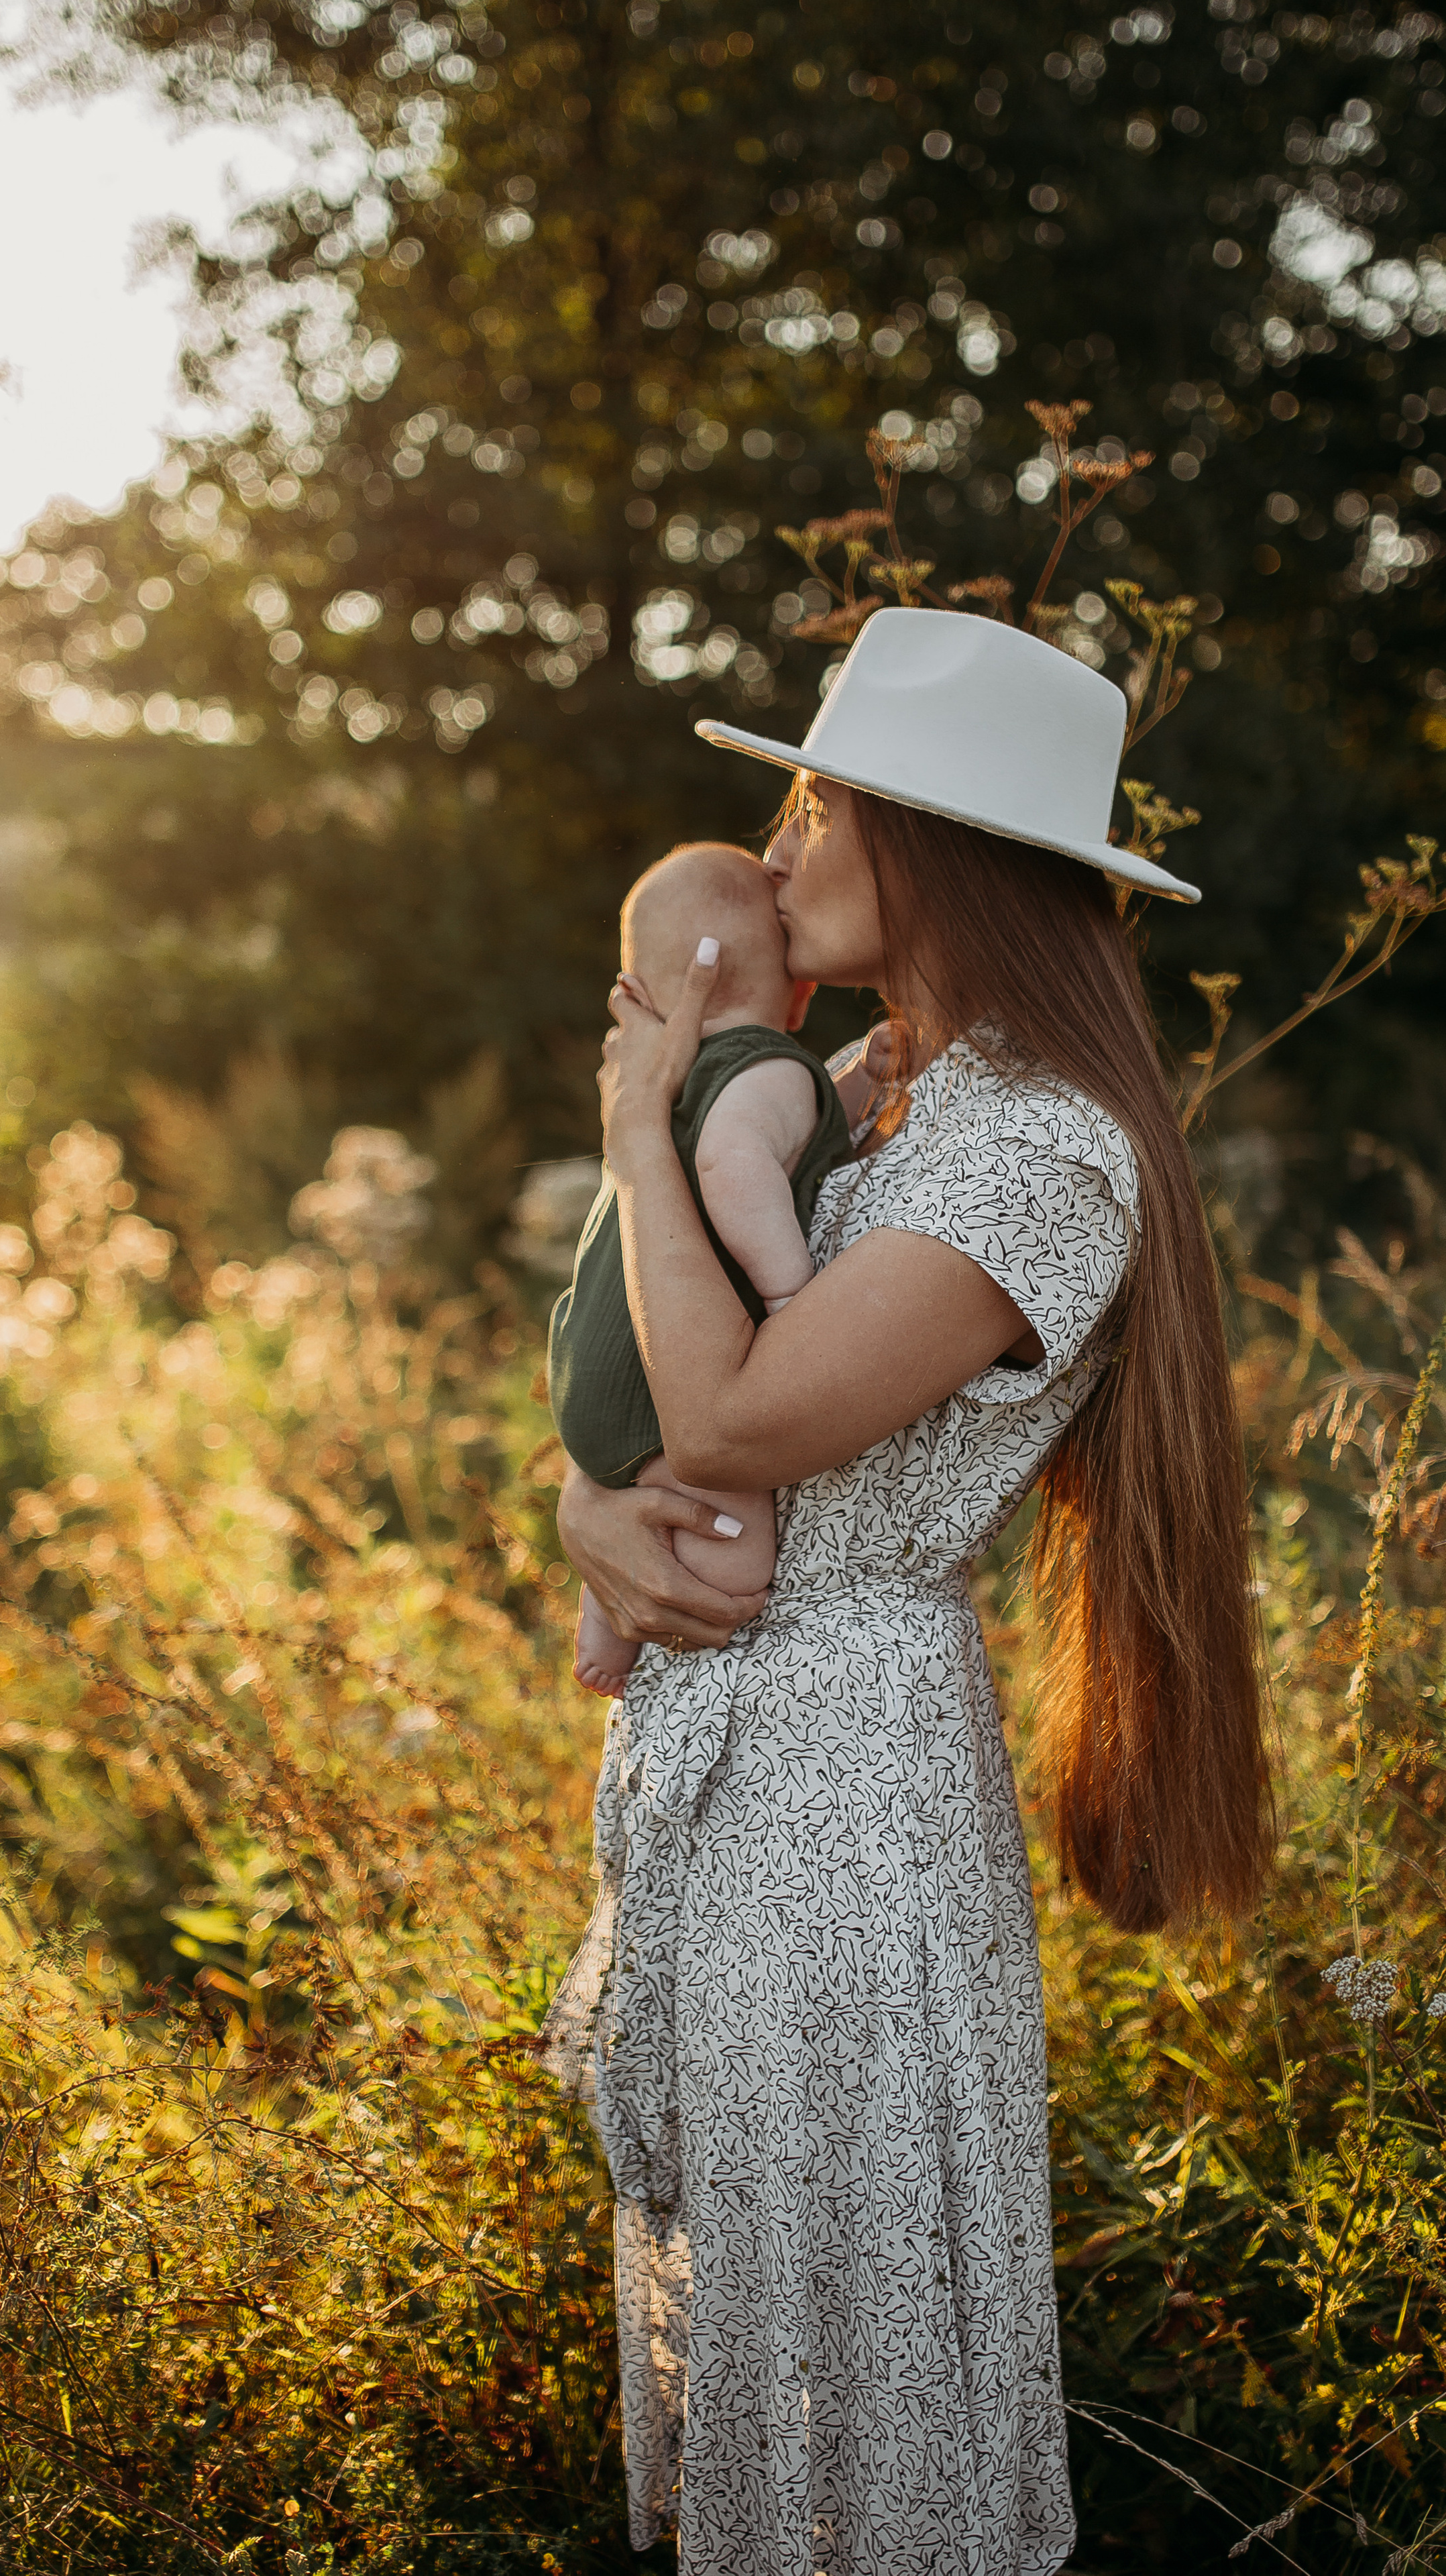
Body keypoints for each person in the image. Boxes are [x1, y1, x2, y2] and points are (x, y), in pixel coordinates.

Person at [539, 607, 1270, 2575]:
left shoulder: (1042, 1147)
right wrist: (580, 1515)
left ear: (924, 844)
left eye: (810, 804)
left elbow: (748, 1407)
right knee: (759, 2302)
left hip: (841, 1798)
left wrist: (632, 1117)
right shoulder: (891, 1088)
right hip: (736, 1754)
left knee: (844, 2331)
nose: (770, 853)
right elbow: (639, 1391)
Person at [549, 840, 850, 1695]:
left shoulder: (658, 1087)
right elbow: (736, 1165)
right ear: (800, 992)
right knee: (735, 1544)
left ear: (637, 995)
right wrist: (791, 1289)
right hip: (666, 1395)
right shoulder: (771, 1066)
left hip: (591, 1372)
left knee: (641, 1492)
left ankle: (603, 1631)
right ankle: (679, 1595)